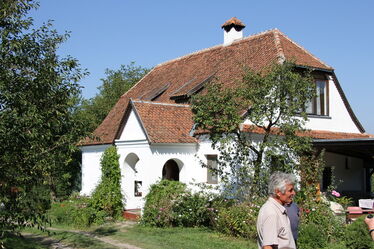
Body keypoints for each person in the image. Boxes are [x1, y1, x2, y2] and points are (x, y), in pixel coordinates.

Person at [257, 172, 296, 249]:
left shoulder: (276, 209)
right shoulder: (271, 212)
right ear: (278, 192)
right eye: (290, 190)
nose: (293, 193)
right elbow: (268, 246)